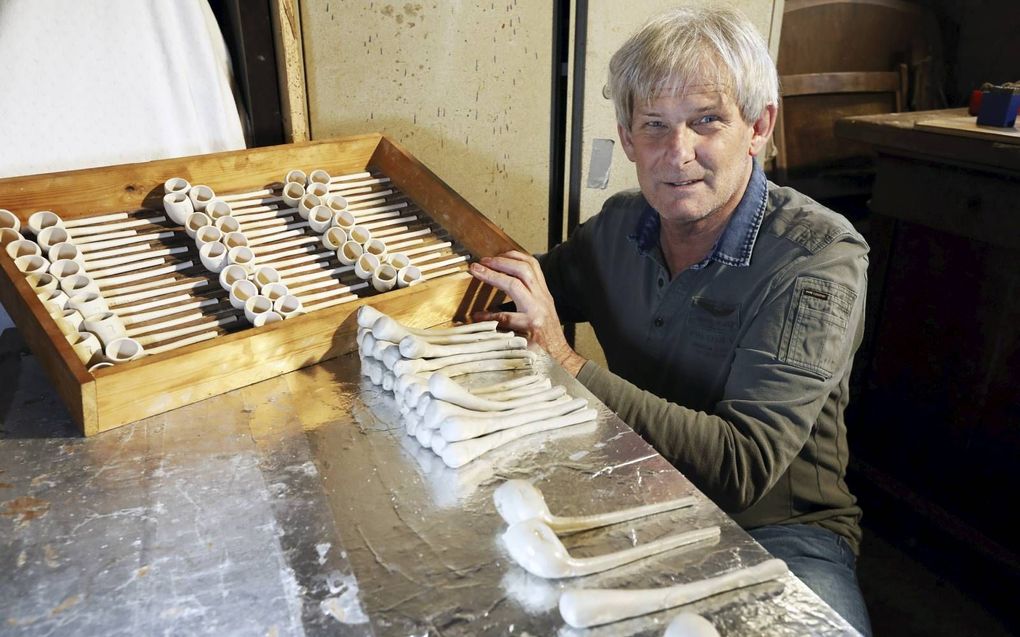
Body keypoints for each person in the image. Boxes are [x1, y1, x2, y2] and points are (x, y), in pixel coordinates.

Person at [469, 6, 872, 635]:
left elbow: (742, 468)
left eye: (706, 121)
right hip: (632, 489)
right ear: (628, 138)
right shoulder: (620, 226)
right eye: (654, 125)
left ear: (758, 126)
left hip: (778, 531)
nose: (676, 154)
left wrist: (566, 361)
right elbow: (519, 297)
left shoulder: (818, 260)